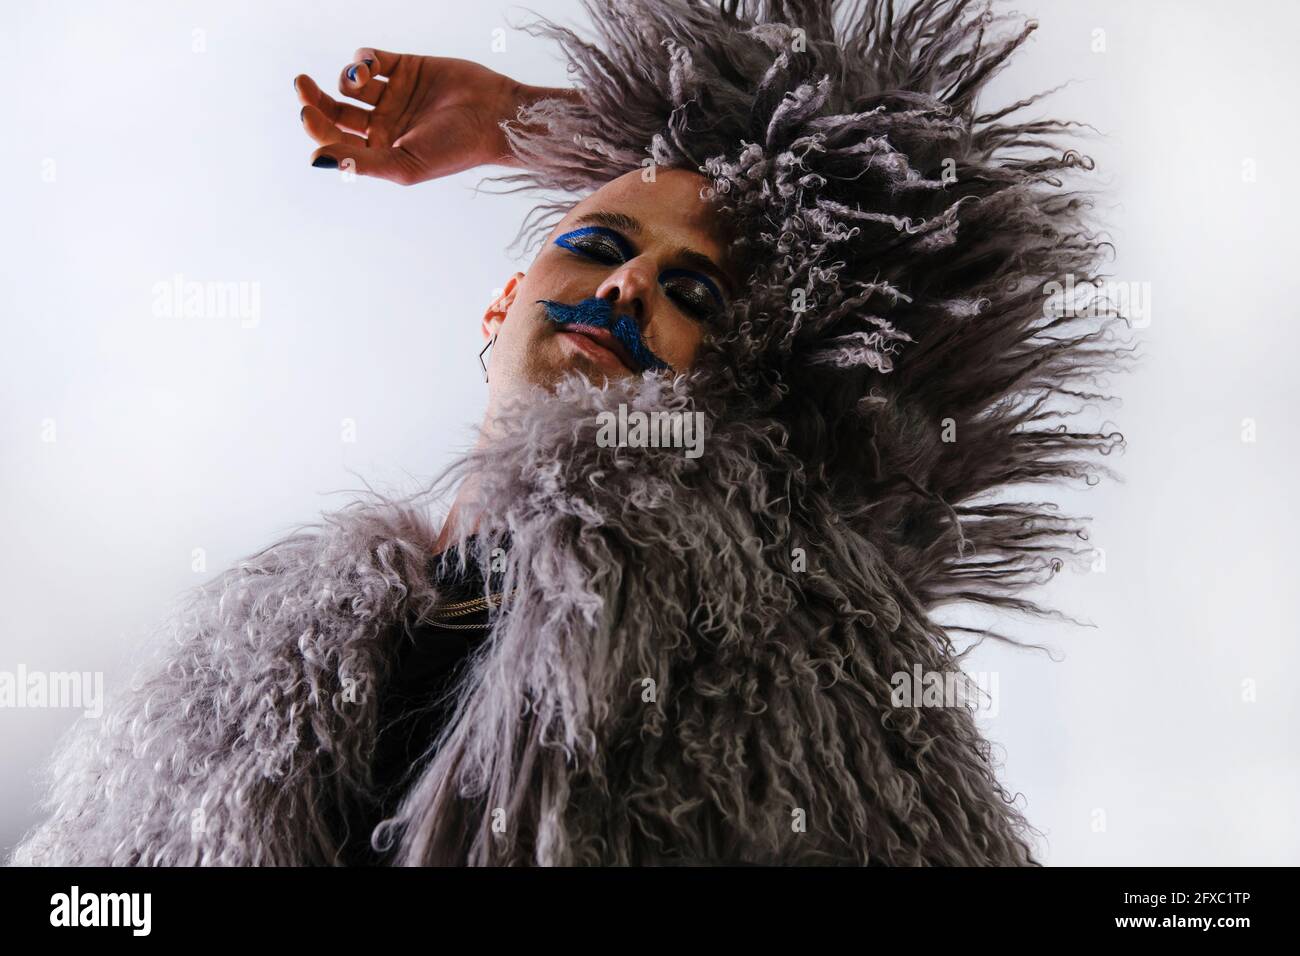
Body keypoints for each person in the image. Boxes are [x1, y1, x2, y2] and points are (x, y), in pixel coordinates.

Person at [11, 0, 1127, 867]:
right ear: (504, 301)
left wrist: (524, 121)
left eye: (695, 293)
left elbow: (929, 216)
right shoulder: (240, 673)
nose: (634, 278)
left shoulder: (782, 609)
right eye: (597, 245)